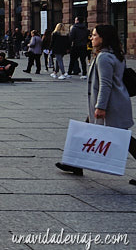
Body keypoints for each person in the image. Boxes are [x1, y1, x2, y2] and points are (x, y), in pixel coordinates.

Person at [56, 24, 136, 186]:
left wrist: (100, 107)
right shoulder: (117, 54)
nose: (91, 38)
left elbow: (105, 84)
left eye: (94, 35)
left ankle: (74, 163)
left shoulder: (104, 57)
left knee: (125, 139)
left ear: (103, 38)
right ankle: (74, 163)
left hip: (109, 104)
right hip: (115, 101)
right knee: (86, 130)